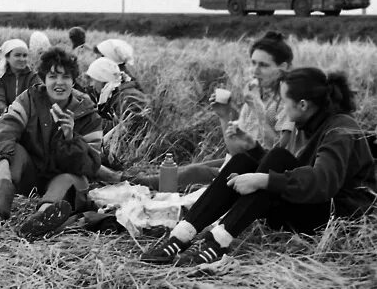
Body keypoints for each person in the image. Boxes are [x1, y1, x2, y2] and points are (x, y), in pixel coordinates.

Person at [141, 67, 377, 266]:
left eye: (285, 101)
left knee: (275, 161)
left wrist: (262, 180)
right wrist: (253, 148)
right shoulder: (309, 125)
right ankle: (182, 234)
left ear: (303, 104)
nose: (282, 109)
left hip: (339, 219)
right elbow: (290, 170)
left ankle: (217, 242)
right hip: (312, 205)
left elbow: (322, 183)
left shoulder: (340, 129)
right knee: (245, 160)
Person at [132, 31, 295, 191]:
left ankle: (125, 181)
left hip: (263, 173)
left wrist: (259, 111)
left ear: (283, 67)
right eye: (253, 63)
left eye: (264, 65)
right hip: (243, 160)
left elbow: (279, 155)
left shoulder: (288, 100)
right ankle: (130, 180)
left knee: (194, 172)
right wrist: (224, 115)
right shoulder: (255, 91)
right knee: (191, 167)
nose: (255, 70)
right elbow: (236, 150)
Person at [0, 47, 103, 241]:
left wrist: (71, 138)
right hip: (32, 176)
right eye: (53, 76)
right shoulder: (30, 99)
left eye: (66, 77)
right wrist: (2, 166)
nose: (59, 83)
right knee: (13, 152)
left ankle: (41, 219)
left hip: (67, 181)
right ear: (44, 79)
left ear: (73, 80)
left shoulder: (86, 110)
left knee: (68, 178)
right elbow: (5, 127)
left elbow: (90, 165)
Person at [85, 57, 149, 179]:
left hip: (141, 154)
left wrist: (103, 143)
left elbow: (131, 128)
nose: (91, 85)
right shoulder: (121, 92)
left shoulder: (123, 97)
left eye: (94, 80)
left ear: (102, 79)